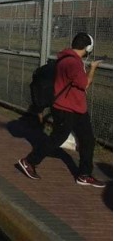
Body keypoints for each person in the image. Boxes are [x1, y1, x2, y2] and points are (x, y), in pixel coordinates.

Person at [18, 32, 105, 187]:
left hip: (76, 107)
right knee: (57, 139)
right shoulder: (73, 63)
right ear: (88, 48)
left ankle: (84, 174)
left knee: (87, 140)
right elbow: (85, 84)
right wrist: (93, 68)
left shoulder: (65, 58)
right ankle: (29, 161)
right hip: (67, 108)